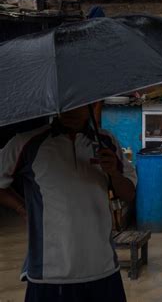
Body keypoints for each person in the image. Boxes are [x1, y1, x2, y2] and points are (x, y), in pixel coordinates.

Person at [0, 104, 136, 302]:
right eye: (65, 104)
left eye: (78, 104)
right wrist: (23, 209)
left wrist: (114, 173)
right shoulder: (27, 143)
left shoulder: (106, 142)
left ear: (90, 104)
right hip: (50, 274)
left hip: (103, 268)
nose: (71, 110)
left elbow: (128, 194)